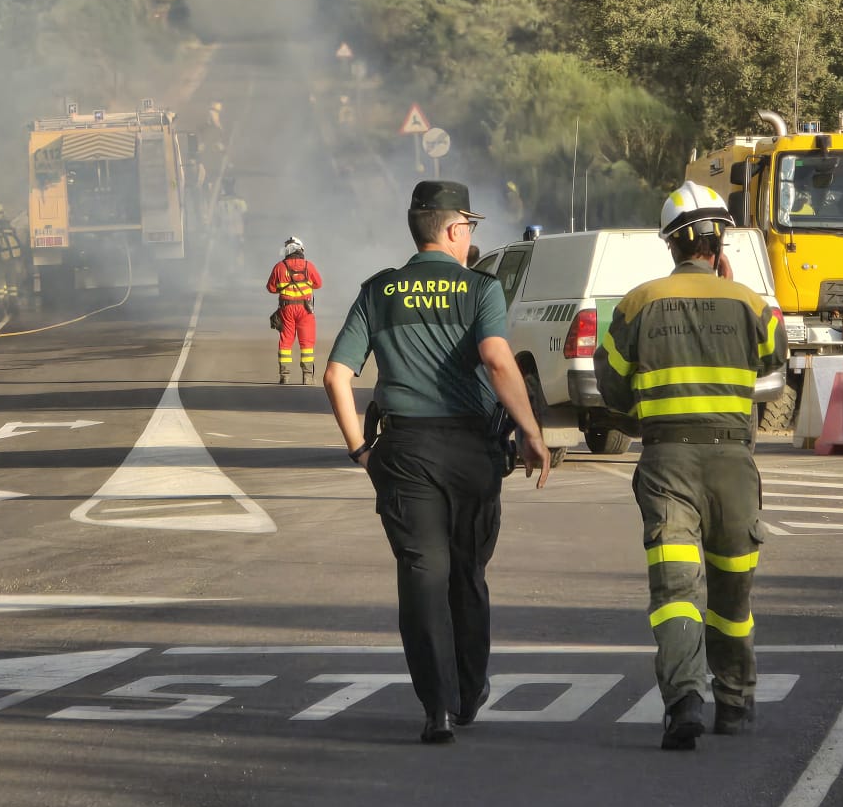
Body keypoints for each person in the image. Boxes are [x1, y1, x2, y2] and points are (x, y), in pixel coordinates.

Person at [323, 180, 554, 745]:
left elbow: (335, 375)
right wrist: (531, 433)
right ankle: (470, 692)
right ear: (454, 230)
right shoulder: (481, 289)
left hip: (403, 454)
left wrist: (361, 450)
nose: (470, 235)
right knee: (467, 575)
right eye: (469, 227)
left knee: (422, 576)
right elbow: (498, 361)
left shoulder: (379, 290)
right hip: (470, 450)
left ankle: (437, 708)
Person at [594, 182, 786, 751]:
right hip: (733, 463)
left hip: (666, 463)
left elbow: (611, 389)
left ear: (672, 245)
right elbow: (774, 362)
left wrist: (644, 418)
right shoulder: (750, 303)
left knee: (676, 588)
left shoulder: (637, 302)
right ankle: (736, 702)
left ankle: (684, 702)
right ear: (718, 242)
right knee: (732, 593)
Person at [266, 235, 324, 383]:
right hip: (305, 310)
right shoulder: (308, 266)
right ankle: (308, 377)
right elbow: (318, 284)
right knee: (307, 343)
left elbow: (271, 288)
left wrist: (284, 285)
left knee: (285, 342)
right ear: (301, 249)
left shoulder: (279, 267)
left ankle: (284, 375)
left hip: (286, 309)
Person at [0, 203, 25, 312]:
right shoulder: (10, 227)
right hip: (13, 257)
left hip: (2, 258)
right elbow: (18, 242)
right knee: (12, 283)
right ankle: (14, 305)